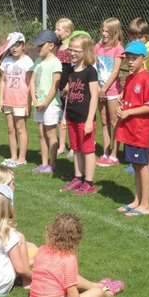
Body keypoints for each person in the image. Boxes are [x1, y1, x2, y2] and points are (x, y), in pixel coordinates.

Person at [29, 213, 124, 297]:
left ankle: (96, 285)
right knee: (97, 293)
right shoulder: (68, 258)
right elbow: (72, 291)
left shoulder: (43, 249)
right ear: (77, 239)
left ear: (51, 232)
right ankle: (108, 292)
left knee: (72, 277)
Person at [115, 41, 149, 216]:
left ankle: (146, 205)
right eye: (128, 58)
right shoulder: (130, 78)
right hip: (130, 130)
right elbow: (128, 101)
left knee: (142, 166)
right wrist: (121, 108)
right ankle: (137, 200)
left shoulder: (147, 79)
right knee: (135, 165)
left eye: (134, 58)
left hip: (140, 132)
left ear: (144, 59)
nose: (130, 62)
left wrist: (129, 112)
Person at [59, 33, 100, 195]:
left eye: (76, 50)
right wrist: (64, 117)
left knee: (87, 150)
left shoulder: (90, 72)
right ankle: (78, 177)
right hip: (72, 117)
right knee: (76, 148)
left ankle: (89, 182)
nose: (72, 53)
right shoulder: (71, 70)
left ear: (86, 51)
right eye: (71, 49)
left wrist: (89, 120)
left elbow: (94, 96)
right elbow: (68, 95)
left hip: (84, 118)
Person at [27, 29, 62, 172]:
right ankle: (44, 163)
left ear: (51, 46)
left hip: (51, 104)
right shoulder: (37, 61)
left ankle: (52, 164)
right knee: (41, 133)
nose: (38, 48)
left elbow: (55, 86)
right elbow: (32, 81)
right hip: (38, 104)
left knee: (50, 133)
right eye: (38, 45)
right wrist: (35, 100)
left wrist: (45, 103)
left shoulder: (56, 63)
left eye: (41, 45)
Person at [128, 17, 149, 171]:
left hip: (146, 95)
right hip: (135, 94)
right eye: (134, 37)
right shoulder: (133, 49)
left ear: (147, 36)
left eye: (140, 37)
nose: (137, 40)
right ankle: (135, 159)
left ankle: (148, 162)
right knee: (134, 127)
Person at [0, 33, 33, 167]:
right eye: (11, 45)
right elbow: (3, 81)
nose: (14, 48)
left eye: (17, 45)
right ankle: (13, 156)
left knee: (20, 128)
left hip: (21, 101)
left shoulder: (27, 62)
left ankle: (21, 158)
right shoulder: (6, 61)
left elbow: (30, 84)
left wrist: (28, 104)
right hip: (8, 99)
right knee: (10, 128)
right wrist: (1, 99)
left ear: (23, 46)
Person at [95, 18, 125, 167]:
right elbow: (94, 67)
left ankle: (114, 154)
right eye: (103, 30)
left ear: (114, 32)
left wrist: (104, 89)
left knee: (114, 122)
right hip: (99, 89)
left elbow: (115, 72)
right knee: (104, 121)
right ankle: (105, 152)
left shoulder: (118, 48)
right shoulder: (97, 46)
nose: (104, 33)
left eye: (107, 31)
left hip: (112, 91)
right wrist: (98, 89)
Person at [55, 18, 75, 158]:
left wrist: (69, 83)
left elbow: (71, 68)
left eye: (58, 29)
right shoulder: (59, 45)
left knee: (70, 117)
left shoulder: (70, 47)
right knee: (60, 117)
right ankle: (62, 145)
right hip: (60, 86)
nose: (56, 31)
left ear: (67, 32)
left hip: (68, 86)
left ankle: (73, 146)